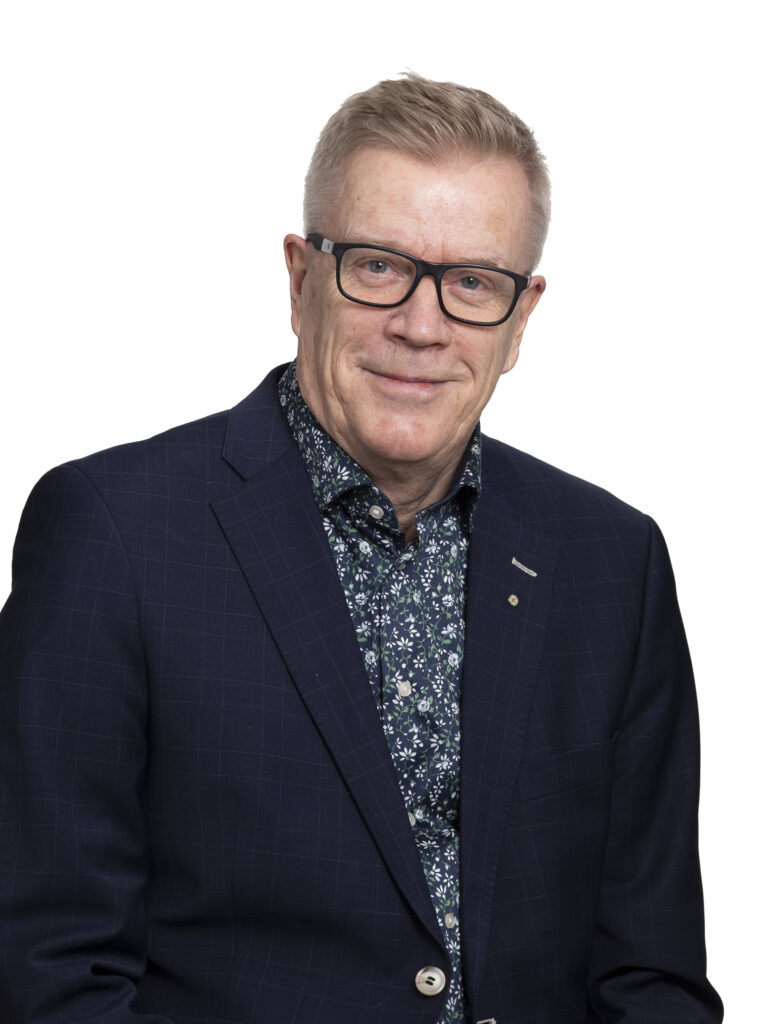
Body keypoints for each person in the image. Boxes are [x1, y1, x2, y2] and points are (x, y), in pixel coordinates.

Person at [0, 73, 722, 1024]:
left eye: (473, 283)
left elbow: (650, 981)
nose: (421, 327)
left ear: (521, 320)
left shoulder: (611, 562)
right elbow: (49, 975)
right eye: (379, 267)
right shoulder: (115, 534)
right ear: (302, 279)